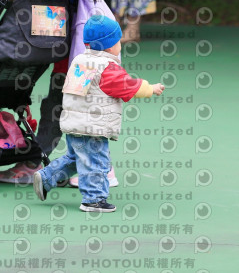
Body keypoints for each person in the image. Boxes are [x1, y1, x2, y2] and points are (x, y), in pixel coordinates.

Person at [0, 0, 120, 186]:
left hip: (85, 59)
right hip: (81, 55)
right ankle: (100, 170)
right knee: (75, 111)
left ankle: (37, 164)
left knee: (58, 108)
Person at [33, 15, 165, 213]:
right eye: (118, 42)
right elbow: (127, 86)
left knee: (75, 158)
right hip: (92, 127)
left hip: (74, 122)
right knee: (97, 162)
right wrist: (150, 88)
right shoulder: (107, 68)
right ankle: (93, 199)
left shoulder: (79, 61)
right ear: (110, 46)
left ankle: (46, 177)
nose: (120, 45)